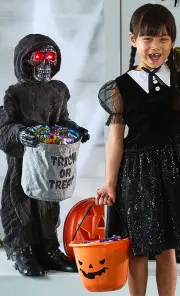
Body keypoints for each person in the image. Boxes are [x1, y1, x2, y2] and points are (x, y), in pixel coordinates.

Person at [96, 2, 180, 295]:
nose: (156, 46)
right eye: (148, 38)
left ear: (172, 41)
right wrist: (109, 183)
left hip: (174, 166)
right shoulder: (119, 88)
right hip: (137, 171)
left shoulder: (179, 68)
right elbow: (116, 138)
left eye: (164, 39)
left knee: (168, 246)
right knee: (139, 247)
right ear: (134, 40)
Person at [0, 33, 90, 276]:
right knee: (21, 204)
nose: (45, 65)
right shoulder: (15, 93)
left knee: (48, 204)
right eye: (38, 58)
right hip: (23, 162)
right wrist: (20, 134)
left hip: (48, 161)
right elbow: (5, 126)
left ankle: (49, 248)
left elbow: (61, 119)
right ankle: (22, 250)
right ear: (25, 61)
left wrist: (75, 130)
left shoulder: (58, 90)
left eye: (50, 57)